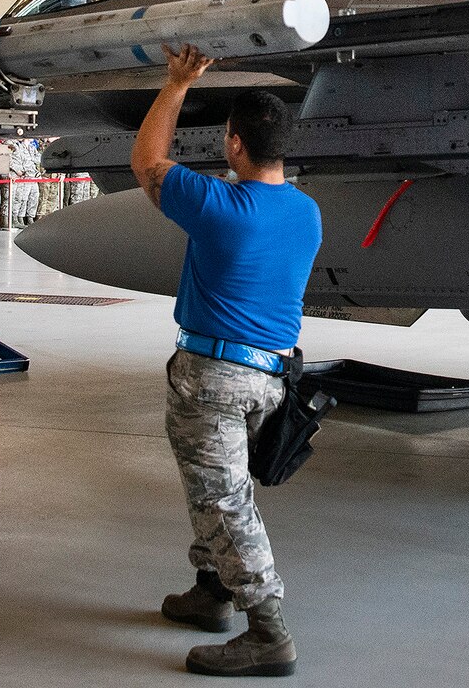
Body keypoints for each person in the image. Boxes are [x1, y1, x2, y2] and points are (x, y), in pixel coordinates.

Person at [132, 45, 320, 678]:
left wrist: (177, 83)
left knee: (223, 501)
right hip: (270, 378)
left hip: (213, 381)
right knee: (212, 483)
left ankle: (269, 632)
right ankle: (211, 592)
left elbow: (148, 162)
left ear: (236, 145)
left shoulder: (219, 207)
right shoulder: (306, 212)